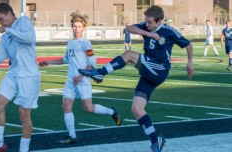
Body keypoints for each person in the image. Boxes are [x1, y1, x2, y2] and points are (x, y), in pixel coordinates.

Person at [79, 5, 193, 152]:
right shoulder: (147, 28)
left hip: (159, 68)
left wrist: (190, 62)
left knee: (129, 55)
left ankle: (100, 72)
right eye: (145, 21)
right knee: (136, 108)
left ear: (159, 22)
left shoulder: (168, 31)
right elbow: (129, 28)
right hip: (149, 71)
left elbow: (188, 44)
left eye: (150, 22)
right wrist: (148, 33)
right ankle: (155, 141)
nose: (147, 25)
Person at [38, 12, 121, 144]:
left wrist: (81, 75)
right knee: (66, 105)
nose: (76, 29)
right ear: (72, 27)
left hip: (82, 80)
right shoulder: (70, 42)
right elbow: (66, 59)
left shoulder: (86, 43)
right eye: (75, 26)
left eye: (79, 27)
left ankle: (111, 111)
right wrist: (49, 62)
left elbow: (92, 60)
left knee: (89, 108)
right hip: (71, 80)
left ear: (83, 28)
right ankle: (72, 136)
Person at [0, 3, 40, 152]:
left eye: (1, 19)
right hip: (13, 74)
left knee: (23, 115)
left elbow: (30, 38)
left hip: (28, 75)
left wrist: (8, 30)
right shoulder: (6, 35)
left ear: (9, 13)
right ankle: (0, 146)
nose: (0, 23)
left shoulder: (23, 21)